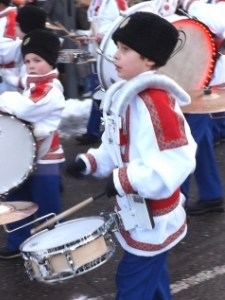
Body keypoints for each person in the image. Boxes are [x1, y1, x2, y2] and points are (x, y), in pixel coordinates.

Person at [66, 12, 197, 299]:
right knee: (153, 277)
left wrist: (125, 179)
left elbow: (177, 160)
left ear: (149, 59)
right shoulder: (130, 94)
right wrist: (92, 162)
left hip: (154, 214)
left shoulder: (157, 103)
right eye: (117, 47)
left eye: (125, 50)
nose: (116, 55)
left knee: (132, 283)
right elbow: (118, 144)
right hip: (137, 208)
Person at [0, 29, 65, 259]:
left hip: (45, 158)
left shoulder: (51, 90)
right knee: (18, 199)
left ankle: (54, 243)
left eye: (37, 60)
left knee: (46, 204)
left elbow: (26, 109)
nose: (31, 66)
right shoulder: (33, 85)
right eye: (27, 61)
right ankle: (17, 241)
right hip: (26, 154)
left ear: (50, 62)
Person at [166, 0, 225, 215]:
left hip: (208, 82)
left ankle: (176, 204)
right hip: (196, 81)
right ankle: (212, 194)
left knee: (183, 144)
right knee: (198, 140)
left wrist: (187, 3)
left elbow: (219, 21)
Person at [75, 0, 127, 144]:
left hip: (109, 57)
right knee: (98, 95)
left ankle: (109, 131)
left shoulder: (116, 2)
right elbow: (97, 30)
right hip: (97, 56)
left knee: (106, 96)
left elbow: (124, 25)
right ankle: (96, 131)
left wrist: (105, 37)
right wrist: (86, 37)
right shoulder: (96, 3)